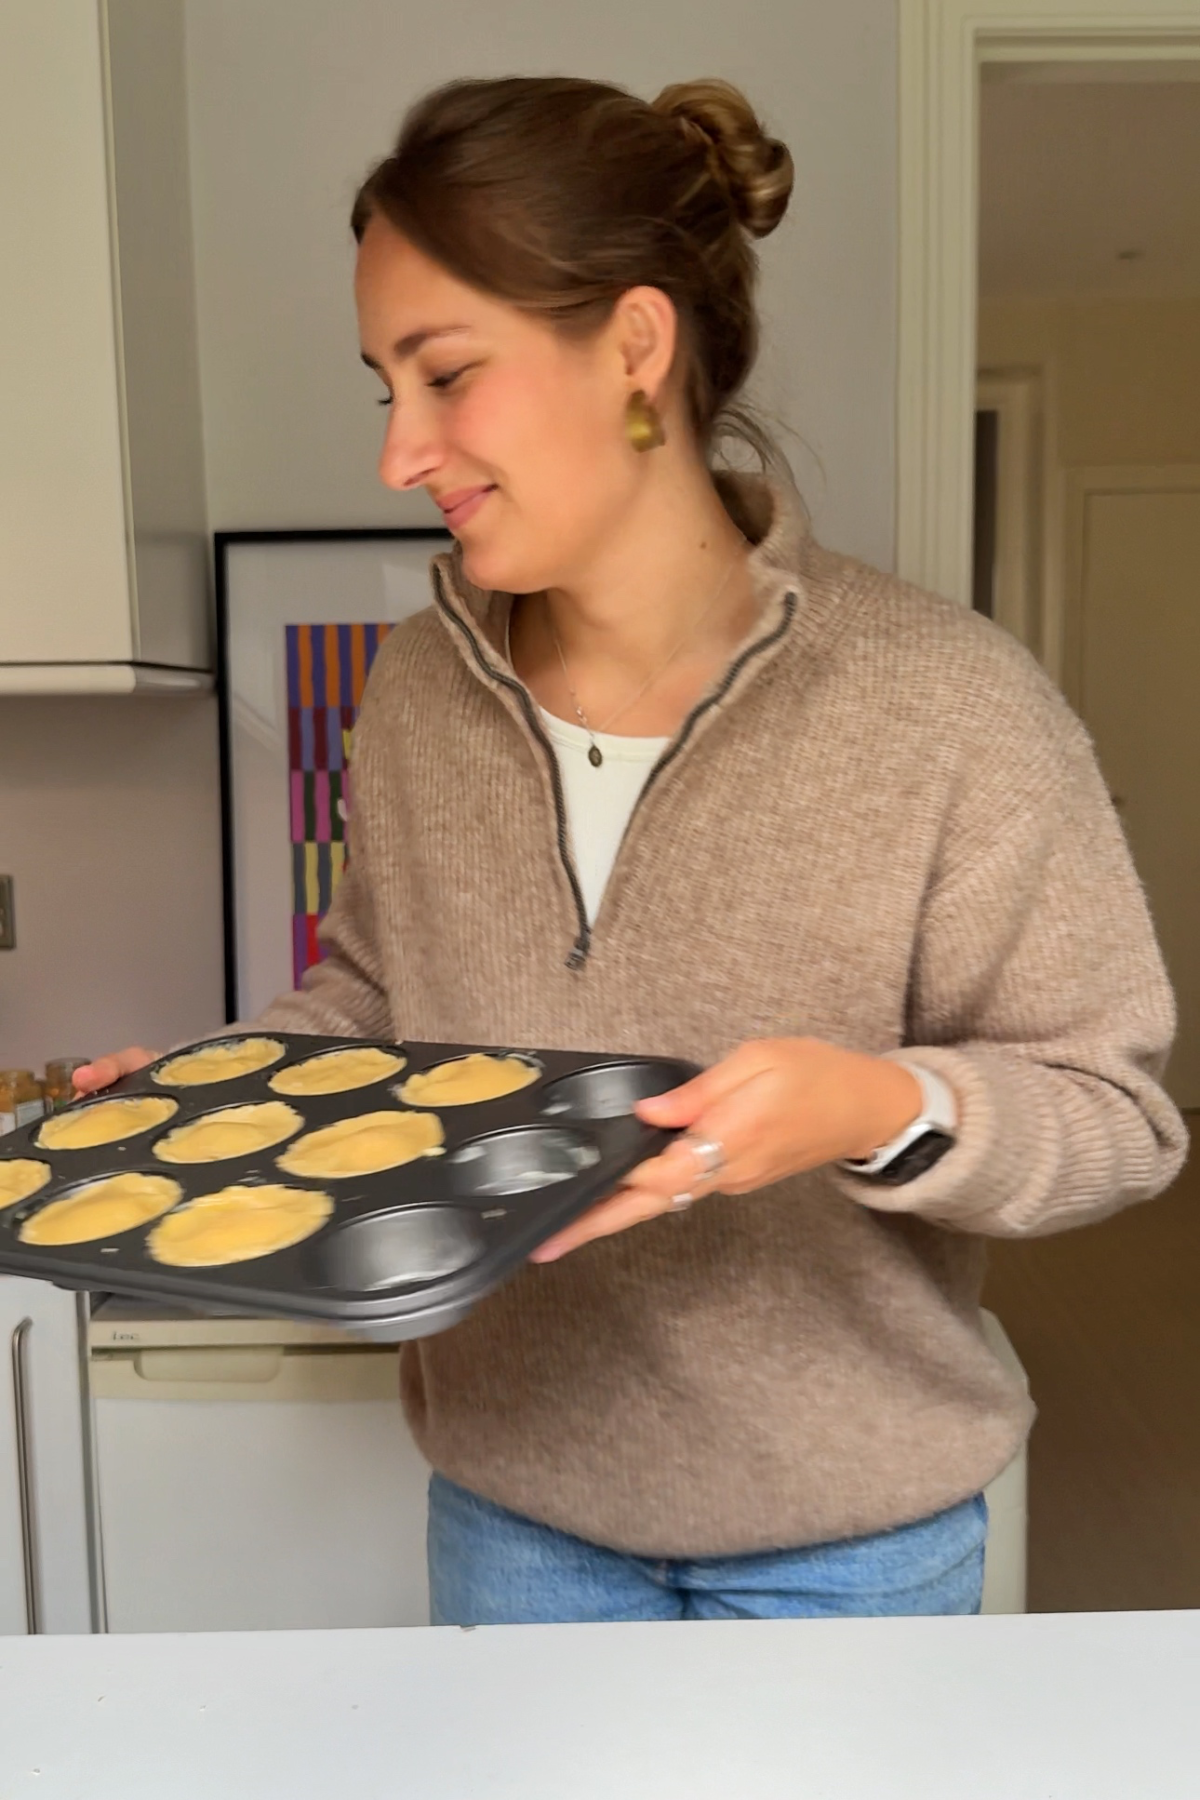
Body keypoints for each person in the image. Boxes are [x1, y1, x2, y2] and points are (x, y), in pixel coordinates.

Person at [78, 75, 1187, 1626]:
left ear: (636, 347)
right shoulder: (418, 692)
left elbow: (1115, 1117)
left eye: (446, 375)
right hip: (517, 1512)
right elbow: (378, 1003)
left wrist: (875, 1106)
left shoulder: (950, 704)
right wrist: (217, 1097)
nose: (401, 453)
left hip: (851, 1547)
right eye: (383, 388)